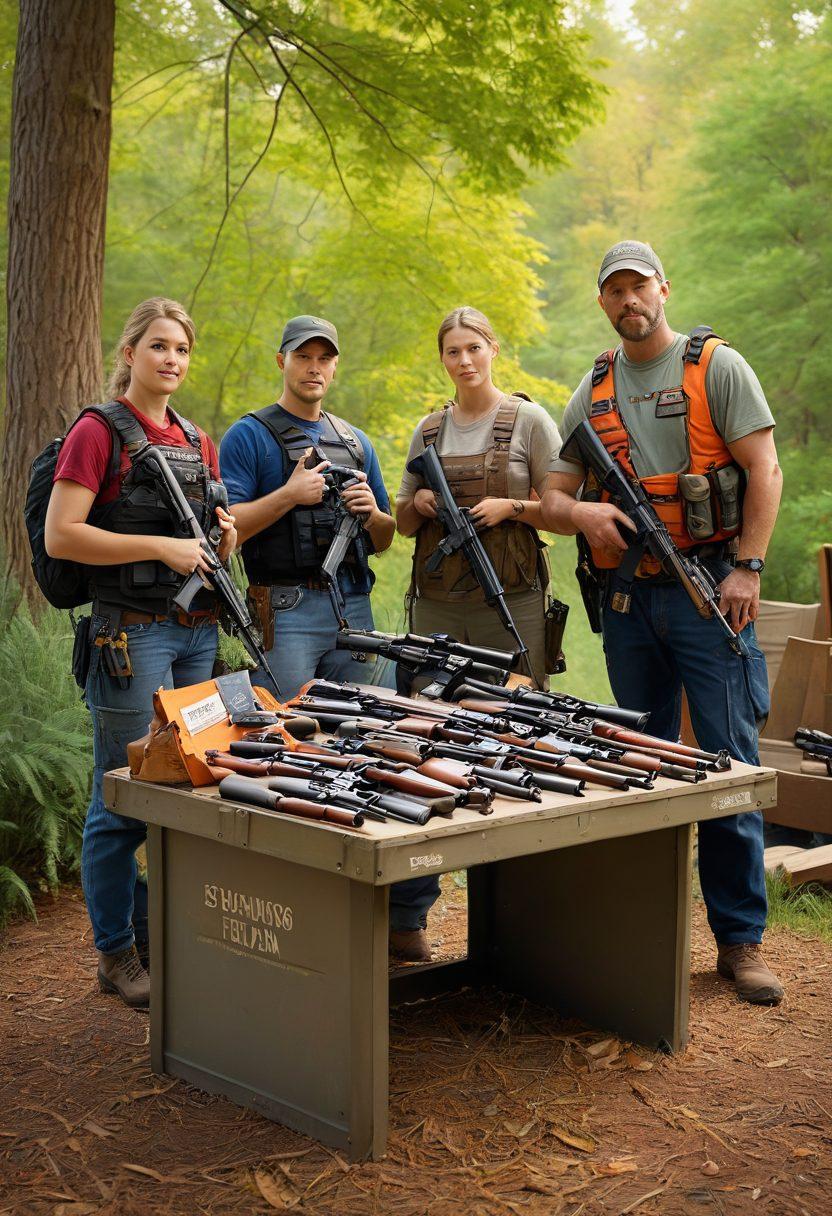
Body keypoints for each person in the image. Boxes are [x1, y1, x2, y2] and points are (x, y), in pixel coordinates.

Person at [541, 241, 784, 1005]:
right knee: (637, 762)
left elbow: (765, 468)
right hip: (629, 602)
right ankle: (641, 935)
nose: (627, 301)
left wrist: (748, 566)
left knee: (725, 762)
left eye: (637, 286)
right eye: (612, 290)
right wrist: (581, 511)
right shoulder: (594, 386)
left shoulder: (717, 368)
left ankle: (739, 942)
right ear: (603, 302)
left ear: (663, 288)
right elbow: (552, 497)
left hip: (712, 589)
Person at [45, 297, 236, 1010]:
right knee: (121, 799)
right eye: (158, 346)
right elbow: (63, 535)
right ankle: (116, 954)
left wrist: (224, 541)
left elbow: (206, 542)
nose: (172, 360)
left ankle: (166, 935)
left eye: (182, 349)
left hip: (195, 633)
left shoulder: (196, 438)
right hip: (129, 635)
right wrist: (160, 545)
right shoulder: (97, 432)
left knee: (190, 785)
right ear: (130, 353)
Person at [219, 315, 395, 696]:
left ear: (334, 368)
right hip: (284, 612)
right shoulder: (248, 435)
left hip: (354, 608)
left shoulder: (356, 441)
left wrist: (371, 515)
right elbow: (227, 530)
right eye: (302, 356)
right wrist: (289, 495)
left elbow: (383, 539)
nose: (314, 367)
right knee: (283, 734)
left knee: (360, 729)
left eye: (324, 359)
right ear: (281, 361)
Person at [396, 306, 562, 690]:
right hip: (437, 604)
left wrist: (513, 508)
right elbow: (402, 524)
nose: (465, 361)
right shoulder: (428, 430)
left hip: (512, 601)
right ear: (442, 359)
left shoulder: (529, 420)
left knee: (519, 711)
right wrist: (420, 501)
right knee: (430, 714)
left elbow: (565, 516)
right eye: (453, 352)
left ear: (494, 350)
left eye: (474, 348)